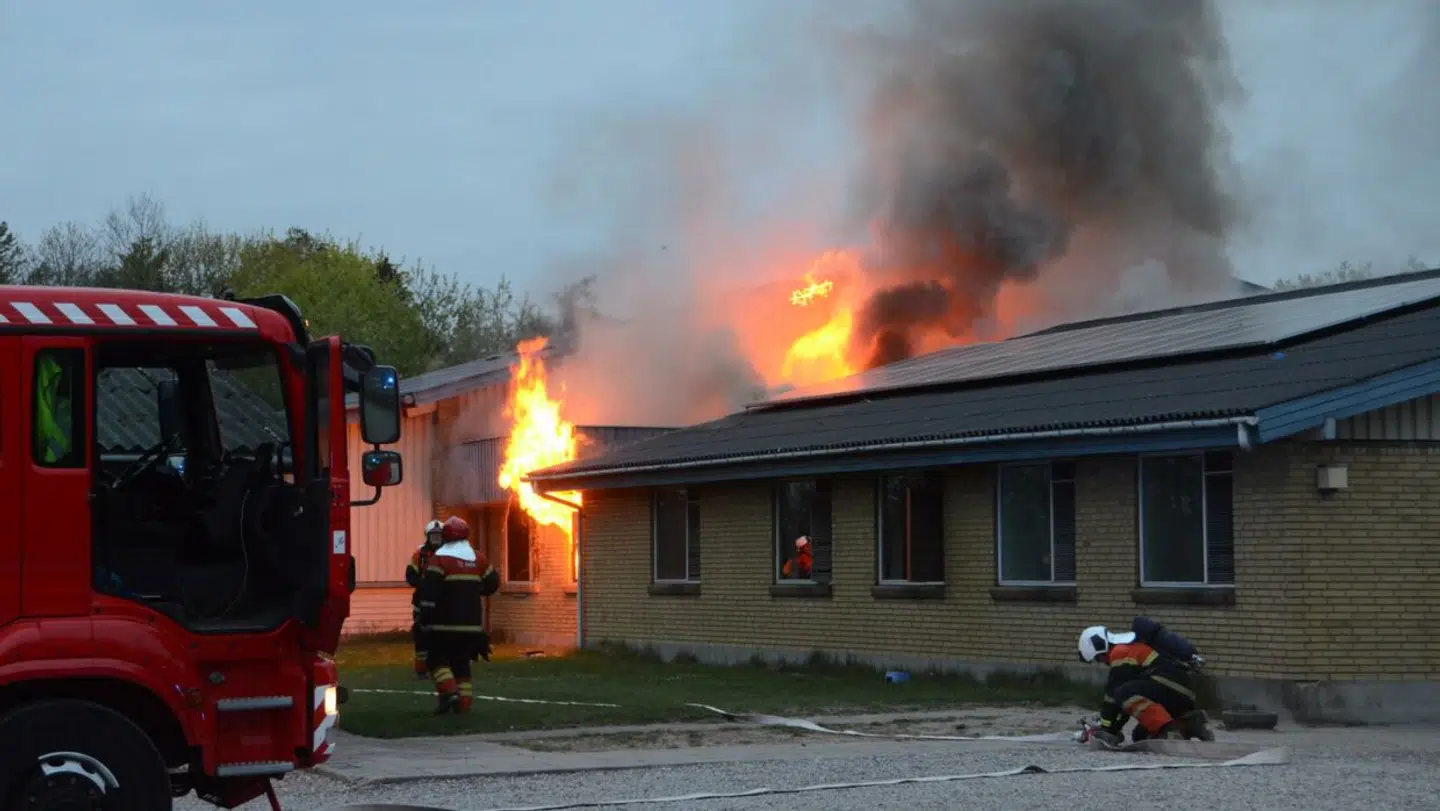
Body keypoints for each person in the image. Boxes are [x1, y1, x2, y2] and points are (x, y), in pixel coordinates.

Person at [1077, 617, 1214, 746]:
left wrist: (1107, 728)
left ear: (1100, 648)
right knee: (1140, 735)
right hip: (1180, 691)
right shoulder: (1133, 645)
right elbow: (1121, 702)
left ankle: (1169, 730)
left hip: (1169, 685)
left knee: (1124, 693)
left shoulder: (1120, 652)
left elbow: (1114, 696)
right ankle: (1190, 724)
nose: (1102, 662)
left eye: (1098, 658)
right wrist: (1112, 728)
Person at [416, 515, 501, 715]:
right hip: (472, 627)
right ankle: (463, 705)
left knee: (436, 660)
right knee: (462, 663)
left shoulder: (439, 559)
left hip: (443, 625)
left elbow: (429, 593)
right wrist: (473, 592)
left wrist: (425, 618)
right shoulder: (478, 558)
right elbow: (493, 583)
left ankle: (449, 692)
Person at [405, 520, 446, 677]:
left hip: (443, 600)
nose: (436, 539)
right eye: (433, 536)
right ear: (427, 536)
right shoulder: (420, 554)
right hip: (422, 600)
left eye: (438, 535)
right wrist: (424, 585)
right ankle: (422, 668)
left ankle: (440, 666)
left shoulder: (448, 554)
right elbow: (410, 575)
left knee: (442, 634)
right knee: (421, 634)